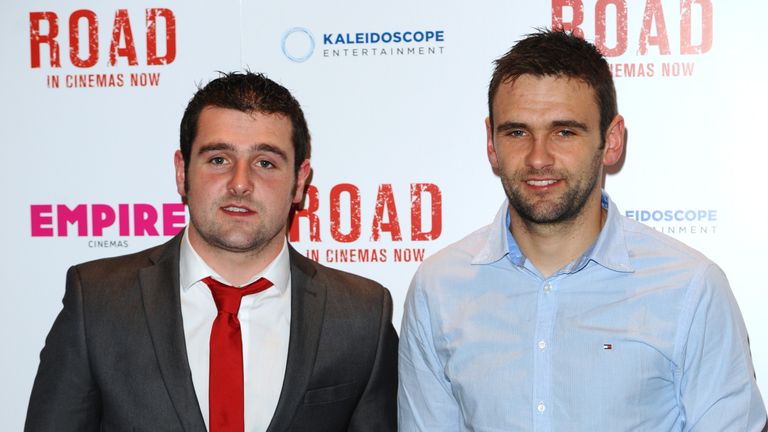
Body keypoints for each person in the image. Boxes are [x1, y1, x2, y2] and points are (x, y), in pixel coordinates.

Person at [398, 29, 766, 431]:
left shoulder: (690, 289)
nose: (538, 158)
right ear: (491, 143)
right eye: (517, 132)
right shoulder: (438, 288)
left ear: (611, 141)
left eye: (565, 131)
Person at [26, 72, 397, 432]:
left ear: (299, 181)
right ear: (182, 171)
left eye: (265, 162)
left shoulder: (361, 316)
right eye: (218, 159)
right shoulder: (97, 300)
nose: (240, 183)